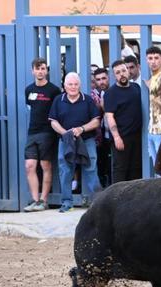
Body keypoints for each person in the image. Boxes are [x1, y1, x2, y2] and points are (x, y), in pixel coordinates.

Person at [49, 72, 102, 212]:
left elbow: (96, 121)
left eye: (76, 84)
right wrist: (65, 133)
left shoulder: (88, 100)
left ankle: (98, 203)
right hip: (66, 140)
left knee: (91, 169)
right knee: (65, 170)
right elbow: (53, 122)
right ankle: (67, 202)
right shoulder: (58, 100)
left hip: (86, 139)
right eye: (70, 84)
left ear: (80, 85)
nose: (73, 87)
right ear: (64, 86)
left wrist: (82, 129)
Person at [22, 57, 61, 211]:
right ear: (33, 71)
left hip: (48, 132)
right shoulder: (29, 90)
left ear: (47, 71)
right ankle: (34, 199)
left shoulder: (54, 90)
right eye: (37, 68)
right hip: (32, 132)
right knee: (29, 165)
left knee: (45, 165)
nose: (40, 71)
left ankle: (43, 201)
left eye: (43, 68)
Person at [104, 59, 143, 183]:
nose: (121, 74)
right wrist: (116, 137)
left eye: (123, 70)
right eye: (117, 72)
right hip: (121, 137)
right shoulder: (111, 93)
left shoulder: (136, 87)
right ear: (114, 75)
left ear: (128, 71)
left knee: (136, 170)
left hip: (137, 136)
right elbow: (109, 116)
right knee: (120, 170)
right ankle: (117, 200)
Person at [91, 67, 111, 187]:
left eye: (104, 78)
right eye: (98, 79)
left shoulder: (111, 91)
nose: (101, 82)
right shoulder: (101, 93)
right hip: (104, 132)